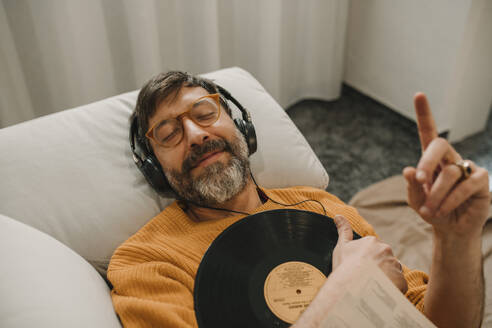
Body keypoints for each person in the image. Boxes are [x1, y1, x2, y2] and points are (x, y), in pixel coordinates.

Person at [108, 71, 489, 328]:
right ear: (155, 170)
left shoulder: (321, 205)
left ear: (241, 128)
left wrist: (456, 240)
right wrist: (349, 286)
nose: (194, 134)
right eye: (168, 133)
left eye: (205, 113)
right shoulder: (145, 261)